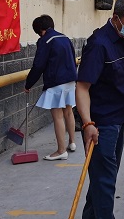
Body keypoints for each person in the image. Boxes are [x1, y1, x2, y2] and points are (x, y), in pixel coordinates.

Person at [75, 0, 124, 219]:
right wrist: (88, 124)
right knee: (105, 182)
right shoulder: (99, 44)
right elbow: (82, 87)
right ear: (116, 18)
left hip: (118, 119)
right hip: (100, 124)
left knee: (103, 179)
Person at [24, 14, 77, 161]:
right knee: (69, 112)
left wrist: (28, 84)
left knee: (58, 115)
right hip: (71, 80)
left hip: (56, 81)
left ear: (40, 30)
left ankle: (61, 151)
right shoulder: (65, 38)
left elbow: (38, 65)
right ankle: (72, 142)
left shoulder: (45, 40)